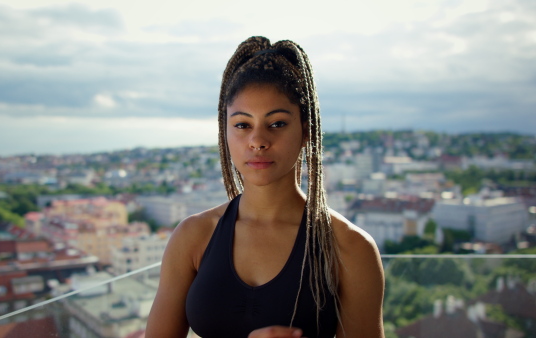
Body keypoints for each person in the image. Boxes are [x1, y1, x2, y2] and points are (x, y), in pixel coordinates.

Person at [146, 36, 385, 338]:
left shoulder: (350, 247)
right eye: (243, 125)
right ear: (225, 133)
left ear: (306, 131)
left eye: (277, 124)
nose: (257, 140)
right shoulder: (192, 236)